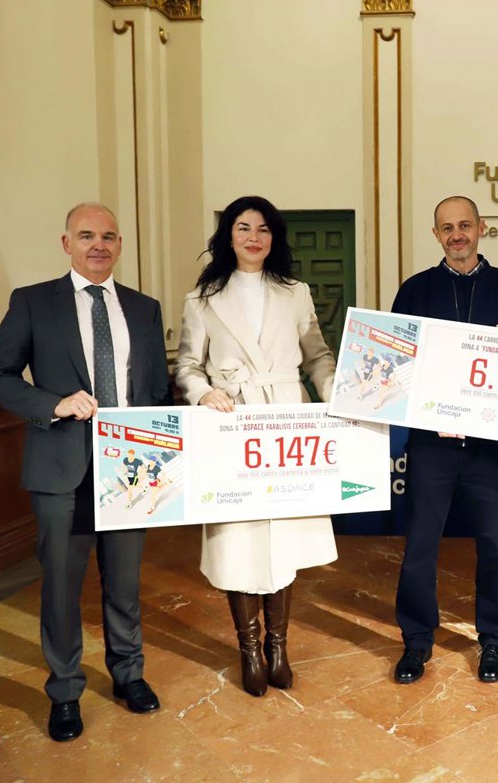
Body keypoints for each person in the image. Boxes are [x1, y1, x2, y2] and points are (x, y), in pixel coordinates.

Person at [0, 202, 170, 742]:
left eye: (108, 236)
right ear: (66, 243)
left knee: (125, 583)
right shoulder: (33, 302)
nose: (98, 245)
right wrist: (54, 404)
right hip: (60, 467)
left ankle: (128, 674)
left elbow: (157, 389)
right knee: (62, 588)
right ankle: (64, 691)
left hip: (131, 469)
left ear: (120, 244)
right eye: (86, 235)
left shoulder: (145, 308)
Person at [175, 195, 337, 698]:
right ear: (229, 235)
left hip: (286, 423)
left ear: (274, 238)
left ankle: (278, 648)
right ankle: (249, 650)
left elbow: (318, 356)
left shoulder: (295, 292)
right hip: (232, 424)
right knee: (238, 541)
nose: (253, 237)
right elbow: (186, 366)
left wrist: (337, 396)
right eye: (244, 227)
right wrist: (203, 392)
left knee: (282, 539)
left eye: (263, 229)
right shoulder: (202, 299)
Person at [390, 195, 498, 685]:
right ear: (436, 235)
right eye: (447, 227)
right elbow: (397, 366)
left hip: (490, 447)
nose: (457, 234)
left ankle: (493, 641)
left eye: (465, 225)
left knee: (494, 548)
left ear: (481, 228)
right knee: (419, 547)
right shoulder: (414, 290)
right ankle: (416, 641)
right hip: (431, 446)